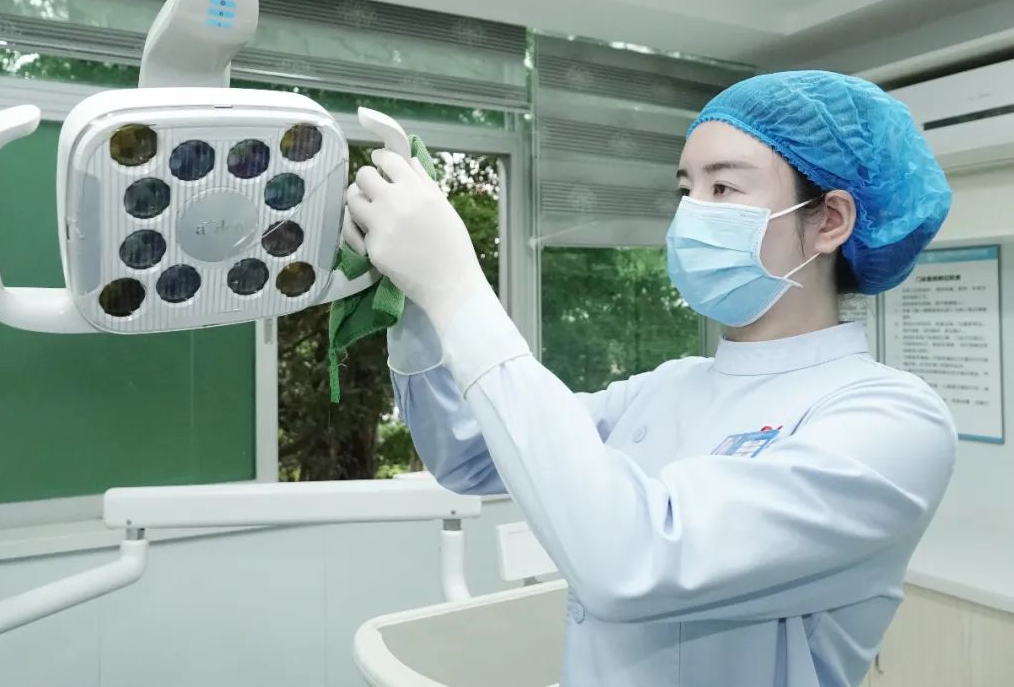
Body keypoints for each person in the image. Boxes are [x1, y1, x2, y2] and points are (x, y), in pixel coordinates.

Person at [344, 70, 956, 687]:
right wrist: (418, 303)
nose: (692, 214)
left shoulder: (893, 420)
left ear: (830, 221)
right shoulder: (668, 386)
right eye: (686, 189)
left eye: (723, 187)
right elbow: (470, 452)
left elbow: (634, 561)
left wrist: (458, 290)